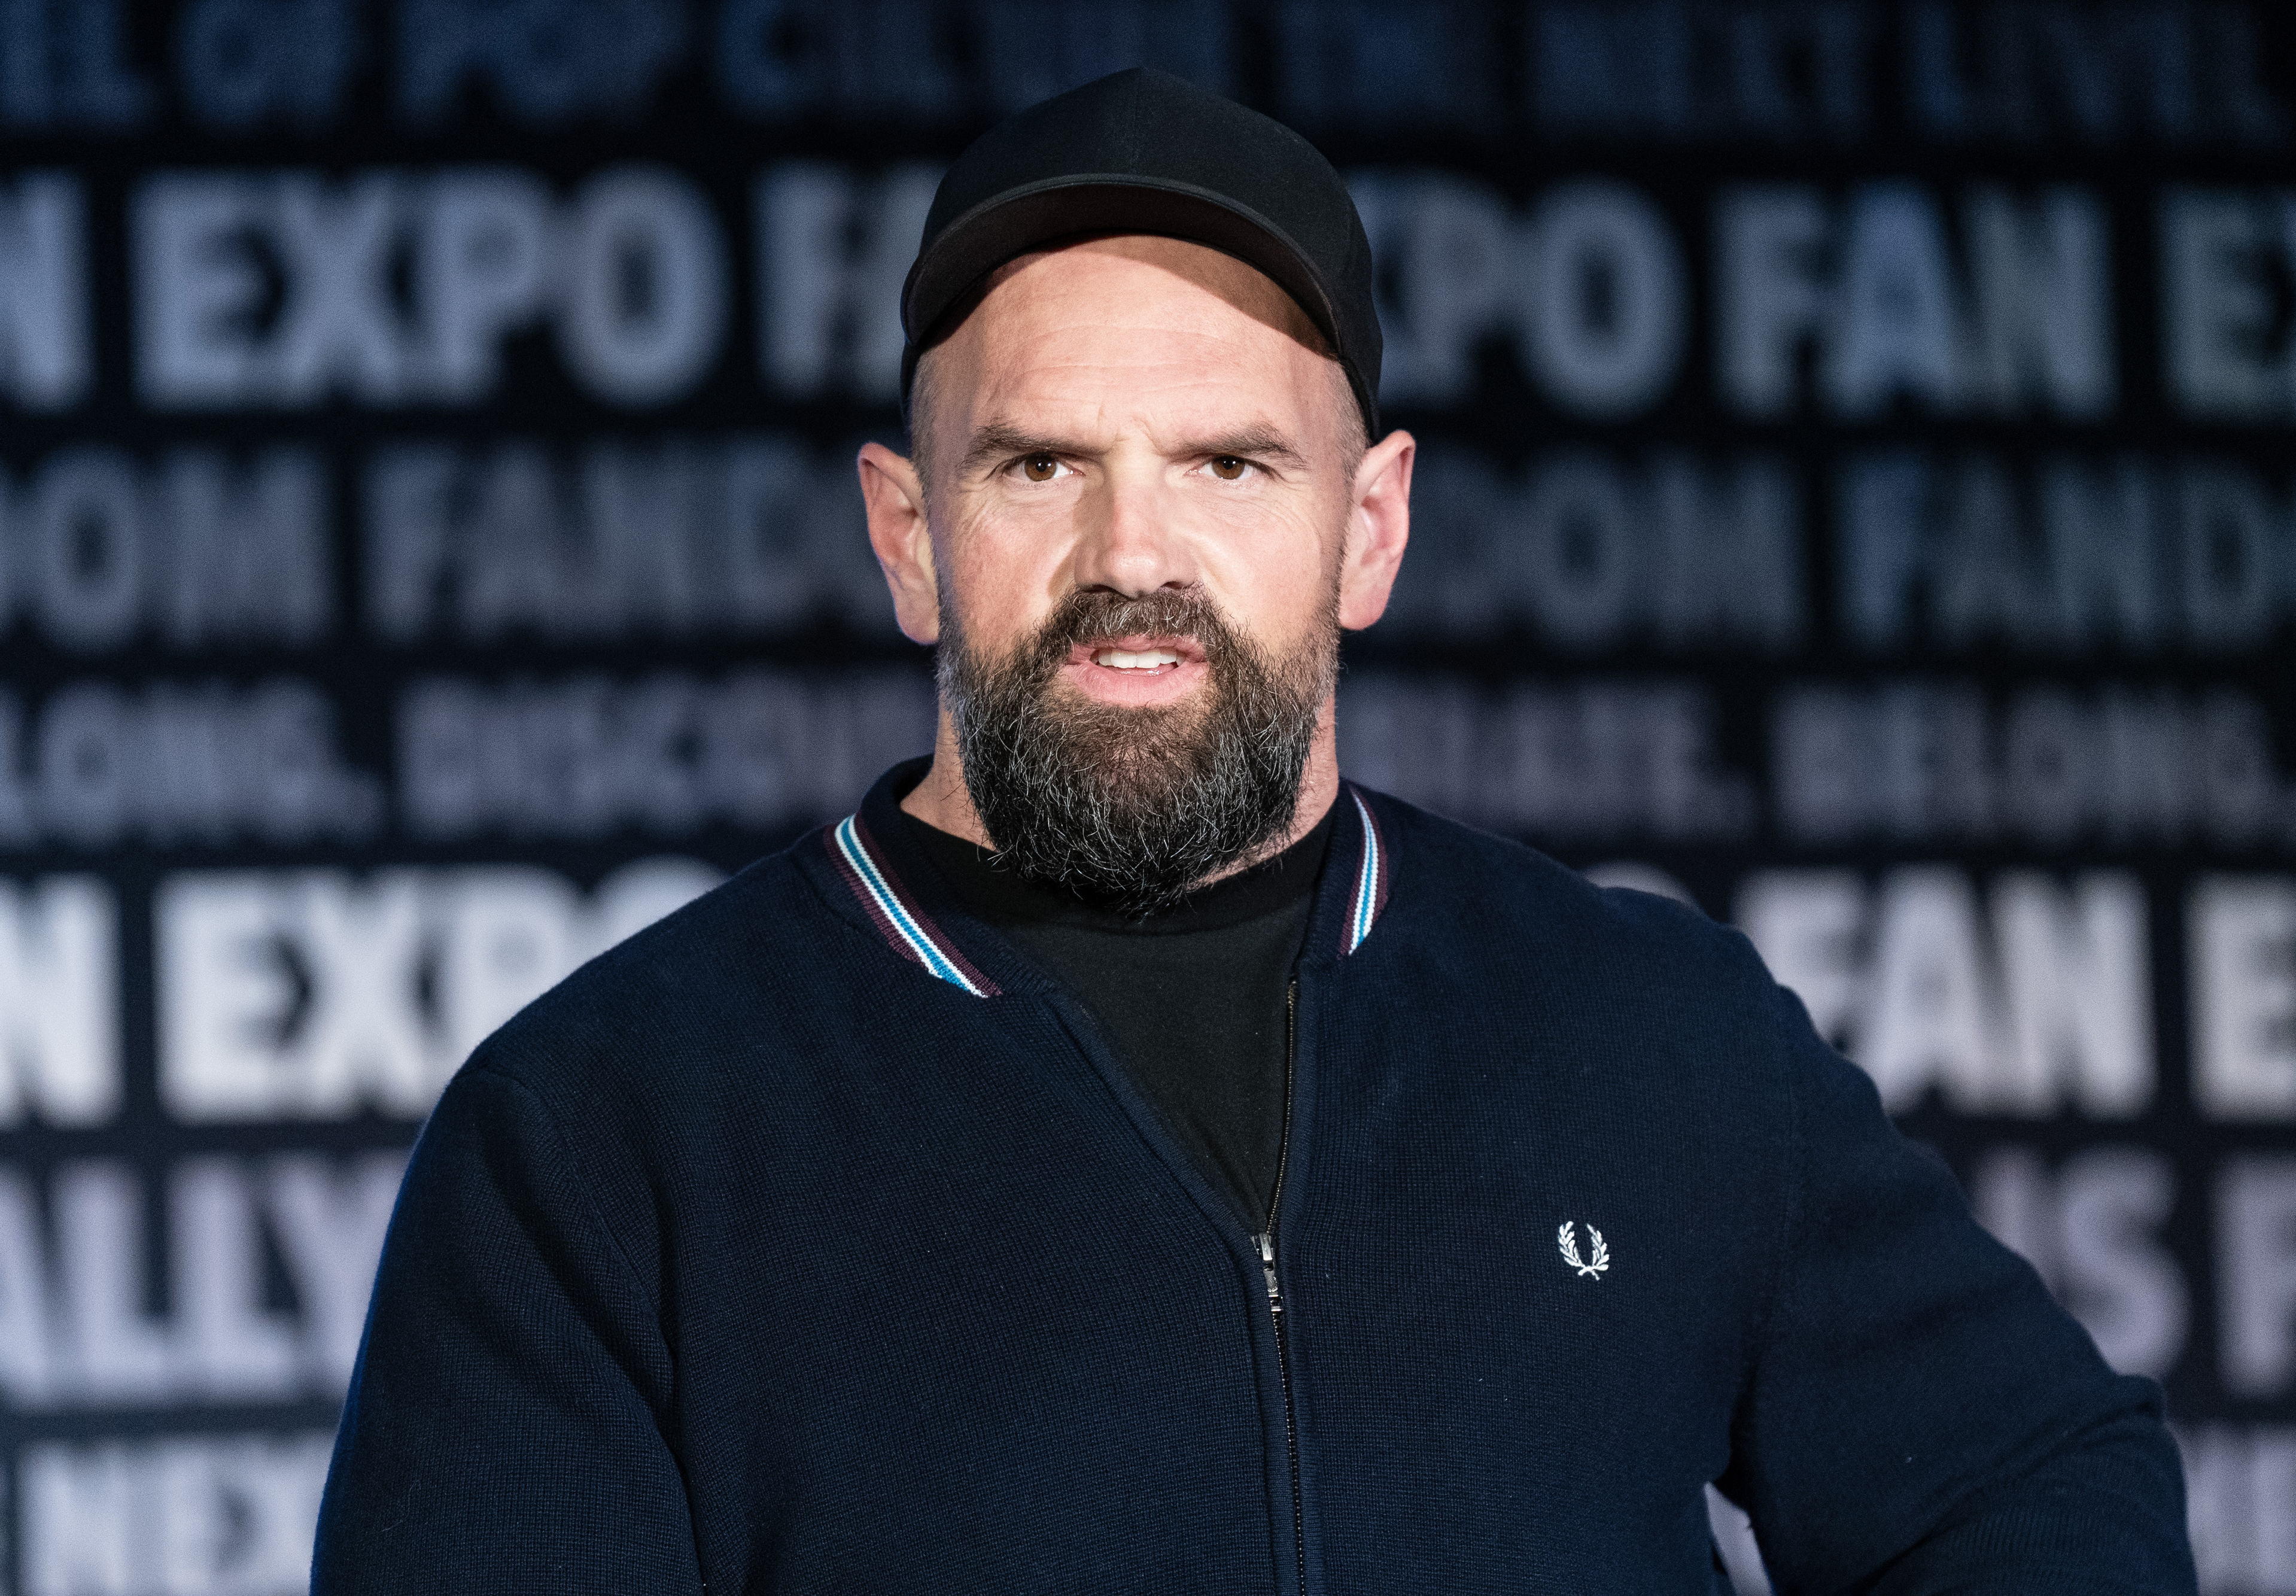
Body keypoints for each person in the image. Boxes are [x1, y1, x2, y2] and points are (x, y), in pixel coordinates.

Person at [313, 69, 2195, 1593]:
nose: (1135, 559)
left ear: (1368, 529)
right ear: (908, 536)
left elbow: (2037, 1485)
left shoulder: (1651, 1032)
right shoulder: (600, 1136)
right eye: (1041, 464)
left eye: (1230, 465)